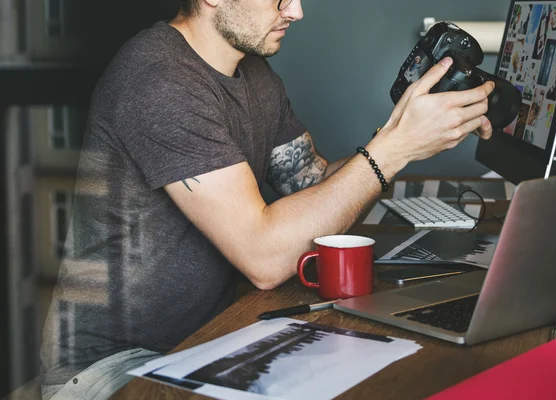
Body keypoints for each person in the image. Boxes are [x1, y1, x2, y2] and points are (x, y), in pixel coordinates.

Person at [40, 0, 494, 398]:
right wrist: (393, 149)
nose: (296, 11)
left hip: (205, 339)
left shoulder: (254, 74)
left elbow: (312, 184)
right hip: (107, 366)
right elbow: (264, 257)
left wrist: (410, 134)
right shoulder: (157, 80)